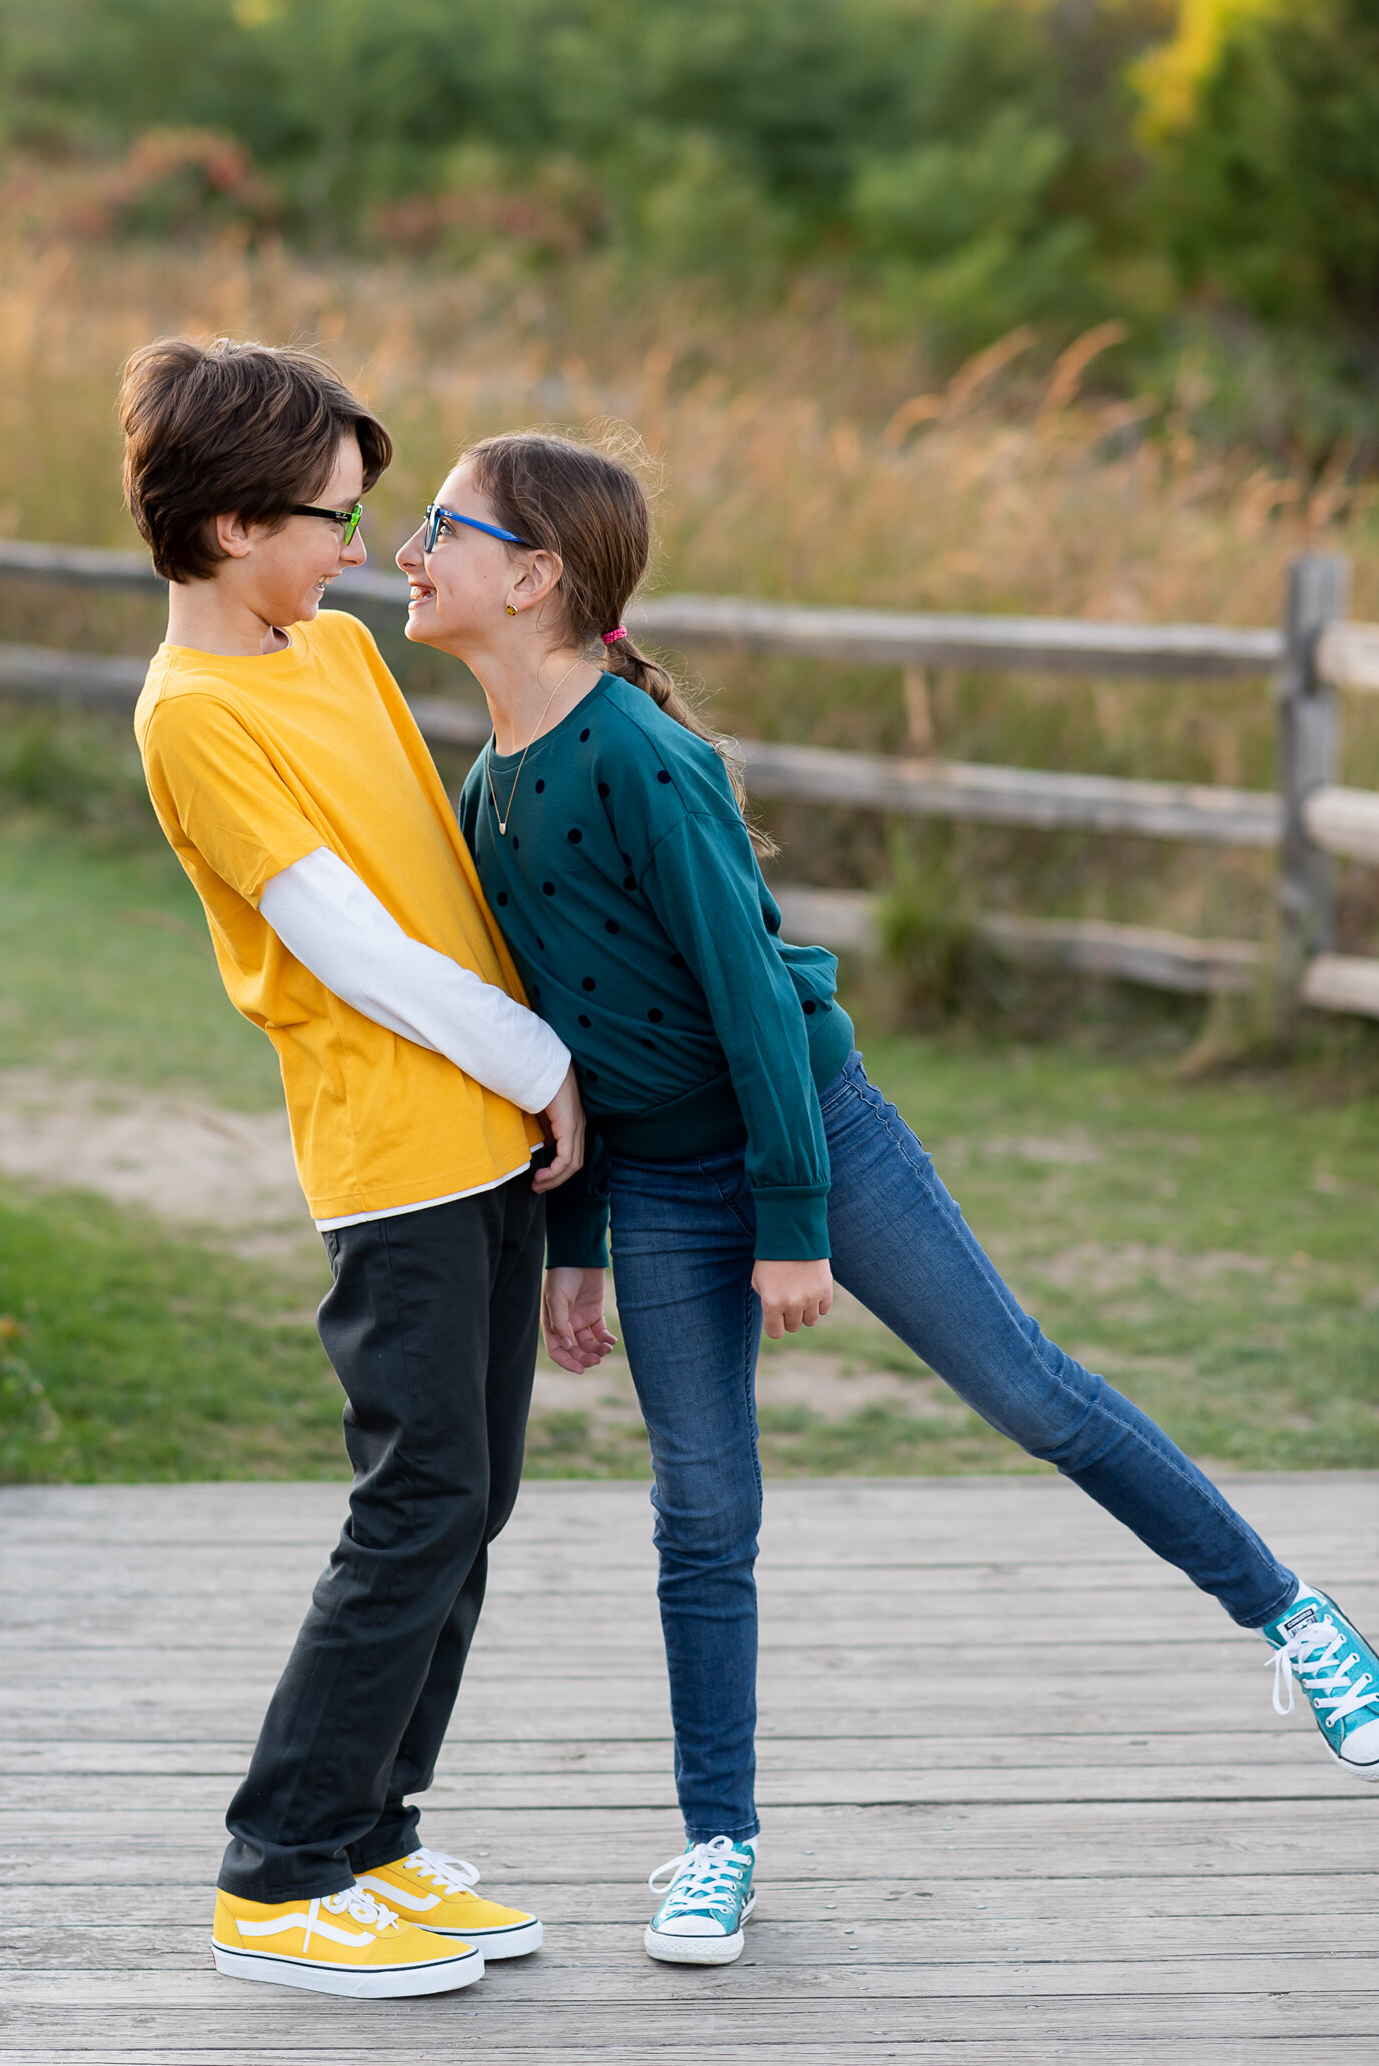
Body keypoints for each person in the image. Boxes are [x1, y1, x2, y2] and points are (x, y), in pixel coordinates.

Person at [395, 426, 1379, 1970]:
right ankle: (715, 1844)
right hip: (650, 1182)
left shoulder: (649, 766)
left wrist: (793, 1219)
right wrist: (573, 1249)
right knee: (700, 1517)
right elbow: (558, 1041)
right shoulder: (490, 787)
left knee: (1032, 1394)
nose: (406, 551)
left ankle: (1294, 1618)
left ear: (531, 579)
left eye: (435, 527)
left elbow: (750, 1005)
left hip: (811, 1134)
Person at [125, 339, 587, 1999]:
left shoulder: (321, 652)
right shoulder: (195, 716)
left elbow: (440, 865)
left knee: (475, 1503)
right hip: (394, 1155)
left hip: (485, 1134)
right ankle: (277, 1871)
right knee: (414, 1508)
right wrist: (546, 1066)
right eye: (330, 516)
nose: (356, 548)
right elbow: (347, 946)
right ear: (233, 523)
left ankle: (374, 1842)